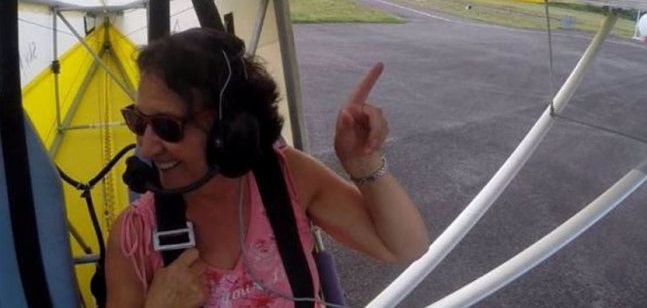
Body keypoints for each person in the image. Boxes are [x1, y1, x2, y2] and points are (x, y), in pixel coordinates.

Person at [105, 27, 428, 307]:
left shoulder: (288, 177)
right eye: (138, 120)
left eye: (166, 125)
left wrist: (361, 161)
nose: (145, 147)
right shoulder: (134, 234)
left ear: (229, 130)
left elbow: (402, 247)